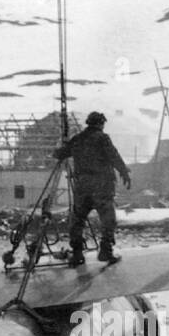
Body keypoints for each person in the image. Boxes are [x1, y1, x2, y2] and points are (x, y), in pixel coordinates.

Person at [54, 111, 132, 266]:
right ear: (100, 124)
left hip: (82, 186)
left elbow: (59, 154)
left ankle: (77, 254)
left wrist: (62, 146)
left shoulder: (78, 139)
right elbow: (114, 156)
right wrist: (124, 172)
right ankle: (105, 251)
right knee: (107, 219)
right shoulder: (102, 138)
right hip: (101, 185)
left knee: (77, 220)